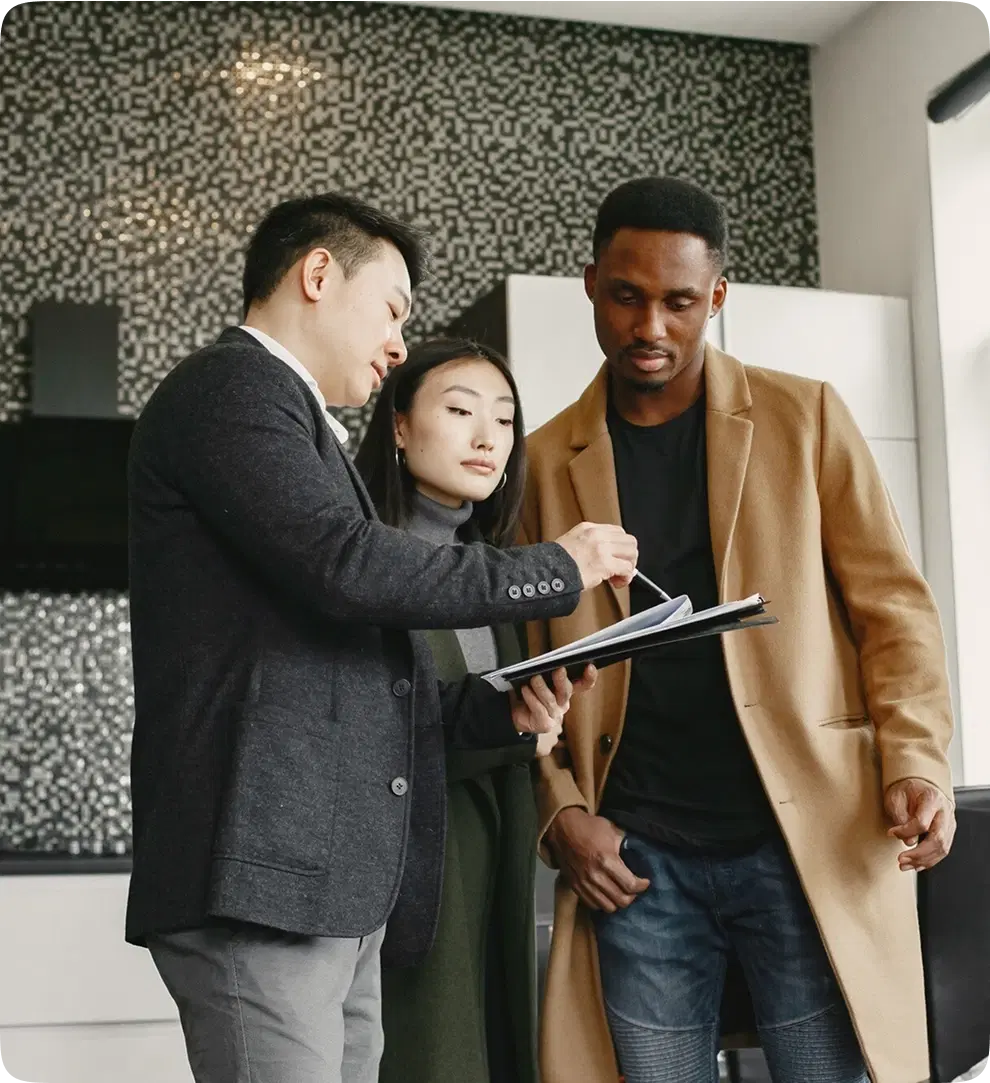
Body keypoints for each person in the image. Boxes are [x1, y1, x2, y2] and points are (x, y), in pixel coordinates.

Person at [124, 192, 639, 1083]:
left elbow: (372, 686)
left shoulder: (292, 424)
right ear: (317, 275)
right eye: (393, 308)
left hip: (327, 889)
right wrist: (559, 564)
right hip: (266, 880)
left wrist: (504, 713)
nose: (400, 342)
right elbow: (350, 564)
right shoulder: (231, 389)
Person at [519, 176, 956, 1083]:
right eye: (628, 296)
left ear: (717, 297)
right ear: (591, 283)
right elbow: (526, 665)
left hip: (807, 839)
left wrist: (916, 758)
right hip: (635, 861)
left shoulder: (809, 417)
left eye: (680, 302)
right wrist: (560, 810)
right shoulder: (542, 461)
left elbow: (895, 611)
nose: (651, 327)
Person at [354, 337, 555, 1083]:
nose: (486, 436)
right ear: (400, 427)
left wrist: (532, 717)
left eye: (503, 419)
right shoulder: (368, 563)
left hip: (495, 854)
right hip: (414, 873)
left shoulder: (488, 567)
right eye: (461, 409)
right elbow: (382, 734)